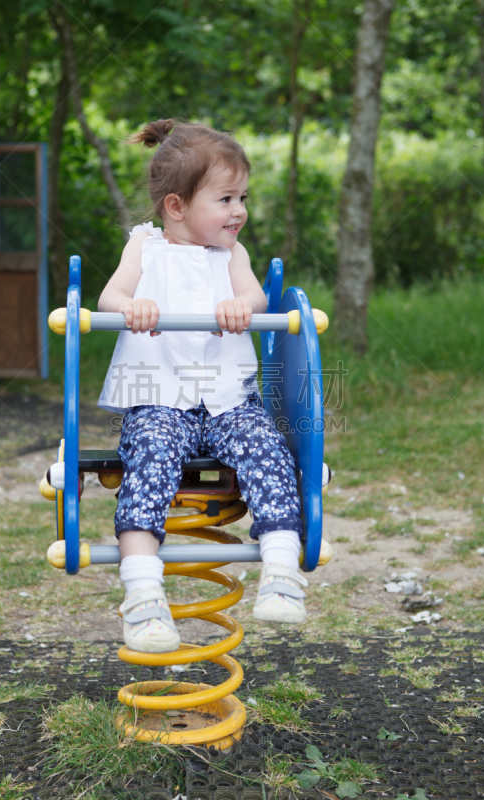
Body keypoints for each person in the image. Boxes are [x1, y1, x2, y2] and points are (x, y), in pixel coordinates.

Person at [98, 119, 307, 654]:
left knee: (268, 449)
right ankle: (143, 600)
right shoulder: (144, 248)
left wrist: (244, 307)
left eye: (243, 197)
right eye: (226, 198)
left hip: (227, 399)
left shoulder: (232, 256)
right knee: (148, 462)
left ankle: (282, 574)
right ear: (176, 206)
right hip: (159, 399)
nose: (239, 210)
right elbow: (108, 299)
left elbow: (255, 299)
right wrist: (132, 306)